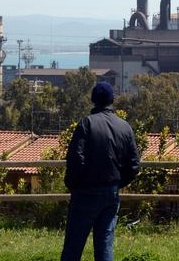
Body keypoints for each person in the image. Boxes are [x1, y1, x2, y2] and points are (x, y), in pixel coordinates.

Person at [61, 81, 140, 261]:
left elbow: (76, 158)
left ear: (93, 99)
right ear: (112, 99)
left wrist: (73, 184)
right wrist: (118, 183)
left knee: (74, 245)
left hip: (85, 192)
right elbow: (134, 164)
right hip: (111, 193)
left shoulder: (86, 124)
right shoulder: (124, 127)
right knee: (105, 243)